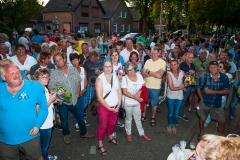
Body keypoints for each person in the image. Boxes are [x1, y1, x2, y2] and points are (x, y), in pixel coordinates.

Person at [0, 64, 48, 160]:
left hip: (30, 136)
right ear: (3, 77)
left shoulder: (35, 86)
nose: (17, 75)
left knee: (37, 157)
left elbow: (43, 108)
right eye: (12, 73)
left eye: (18, 72)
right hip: (6, 138)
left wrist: (37, 125)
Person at [48, 52, 95, 144]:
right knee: (64, 119)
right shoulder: (53, 74)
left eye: (60, 59)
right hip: (62, 102)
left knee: (80, 117)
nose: (59, 62)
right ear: (55, 63)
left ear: (64, 59)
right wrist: (58, 97)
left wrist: (77, 93)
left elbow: (78, 81)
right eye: (56, 61)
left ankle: (83, 133)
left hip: (75, 99)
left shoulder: (73, 69)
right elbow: (50, 88)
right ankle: (66, 134)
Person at [197, 61, 230, 139]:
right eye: (211, 67)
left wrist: (212, 91)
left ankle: (220, 136)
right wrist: (201, 99)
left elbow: (227, 91)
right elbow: (198, 88)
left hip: (217, 103)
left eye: (214, 67)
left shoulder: (224, 77)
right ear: (209, 68)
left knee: (222, 121)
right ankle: (201, 132)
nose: (213, 69)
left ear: (218, 67)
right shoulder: (204, 76)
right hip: (205, 102)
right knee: (202, 118)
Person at [95, 60, 121, 156]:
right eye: (106, 66)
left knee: (112, 124)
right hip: (104, 107)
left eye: (109, 66)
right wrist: (109, 108)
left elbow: (119, 91)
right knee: (103, 126)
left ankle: (110, 137)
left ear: (112, 67)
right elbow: (99, 98)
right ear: (103, 67)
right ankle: (100, 144)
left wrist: (118, 105)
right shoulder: (99, 79)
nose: (108, 68)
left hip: (115, 106)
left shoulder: (115, 77)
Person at [33, 68, 58, 160]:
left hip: (48, 121)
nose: (46, 79)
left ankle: (46, 156)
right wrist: (51, 100)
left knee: (45, 144)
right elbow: (38, 110)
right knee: (43, 145)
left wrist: (53, 101)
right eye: (43, 77)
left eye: (47, 77)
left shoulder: (44, 88)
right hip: (43, 124)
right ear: (36, 78)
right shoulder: (38, 91)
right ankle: (45, 158)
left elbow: (46, 104)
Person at [122, 62, 151, 141]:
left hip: (137, 102)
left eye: (132, 69)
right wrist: (136, 98)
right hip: (128, 102)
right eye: (129, 70)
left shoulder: (139, 75)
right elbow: (124, 92)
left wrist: (140, 91)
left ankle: (142, 133)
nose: (132, 71)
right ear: (126, 71)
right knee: (128, 118)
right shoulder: (124, 79)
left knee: (138, 118)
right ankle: (128, 133)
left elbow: (143, 85)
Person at [142, 46, 166, 127]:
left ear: (159, 53)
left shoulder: (162, 62)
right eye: (152, 53)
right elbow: (143, 74)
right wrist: (155, 73)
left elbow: (160, 76)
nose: (153, 55)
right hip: (146, 86)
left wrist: (148, 72)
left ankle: (153, 117)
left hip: (155, 87)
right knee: (145, 102)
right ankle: (144, 115)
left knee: (154, 104)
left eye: (155, 53)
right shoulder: (148, 61)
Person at [166, 60, 185, 134]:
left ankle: (174, 125)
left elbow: (184, 82)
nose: (173, 66)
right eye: (172, 65)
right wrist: (181, 88)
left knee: (176, 113)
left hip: (179, 96)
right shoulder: (169, 74)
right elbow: (171, 88)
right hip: (171, 96)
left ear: (178, 65)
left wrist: (184, 86)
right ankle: (169, 125)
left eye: (175, 64)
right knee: (171, 112)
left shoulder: (182, 72)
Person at [178, 52, 196, 121]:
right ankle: (180, 113)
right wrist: (190, 74)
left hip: (188, 85)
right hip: (182, 86)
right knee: (180, 100)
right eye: (189, 57)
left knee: (184, 100)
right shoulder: (181, 65)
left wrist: (191, 75)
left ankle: (180, 113)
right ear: (185, 57)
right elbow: (179, 77)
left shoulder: (192, 65)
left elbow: (192, 77)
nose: (191, 59)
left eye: (192, 58)